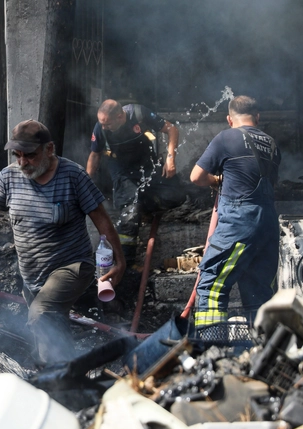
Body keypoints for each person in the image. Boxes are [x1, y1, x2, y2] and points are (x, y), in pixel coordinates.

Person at [0, 119, 126, 364]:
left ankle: (59, 381)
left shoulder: (73, 176)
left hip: (72, 266)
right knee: (49, 332)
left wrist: (119, 260)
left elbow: (102, 219)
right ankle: (70, 379)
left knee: (42, 314)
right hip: (32, 276)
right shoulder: (8, 177)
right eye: (18, 155)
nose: (23, 162)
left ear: (49, 149)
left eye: (30, 155)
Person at [189, 95, 281, 333]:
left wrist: (216, 179)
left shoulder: (225, 137)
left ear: (229, 119)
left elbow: (196, 177)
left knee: (211, 284)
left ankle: (211, 349)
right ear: (257, 118)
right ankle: (264, 352)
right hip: (269, 224)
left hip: (240, 223)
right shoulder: (271, 144)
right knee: (259, 291)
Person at [86, 99, 182, 265]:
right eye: (101, 123)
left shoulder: (138, 113)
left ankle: (145, 205)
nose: (103, 127)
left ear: (120, 117)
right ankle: (125, 263)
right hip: (123, 173)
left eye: (107, 124)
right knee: (130, 215)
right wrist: (85, 183)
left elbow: (171, 129)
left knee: (177, 195)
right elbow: (95, 156)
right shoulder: (100, 129)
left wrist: (170, 158)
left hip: (148, 165)